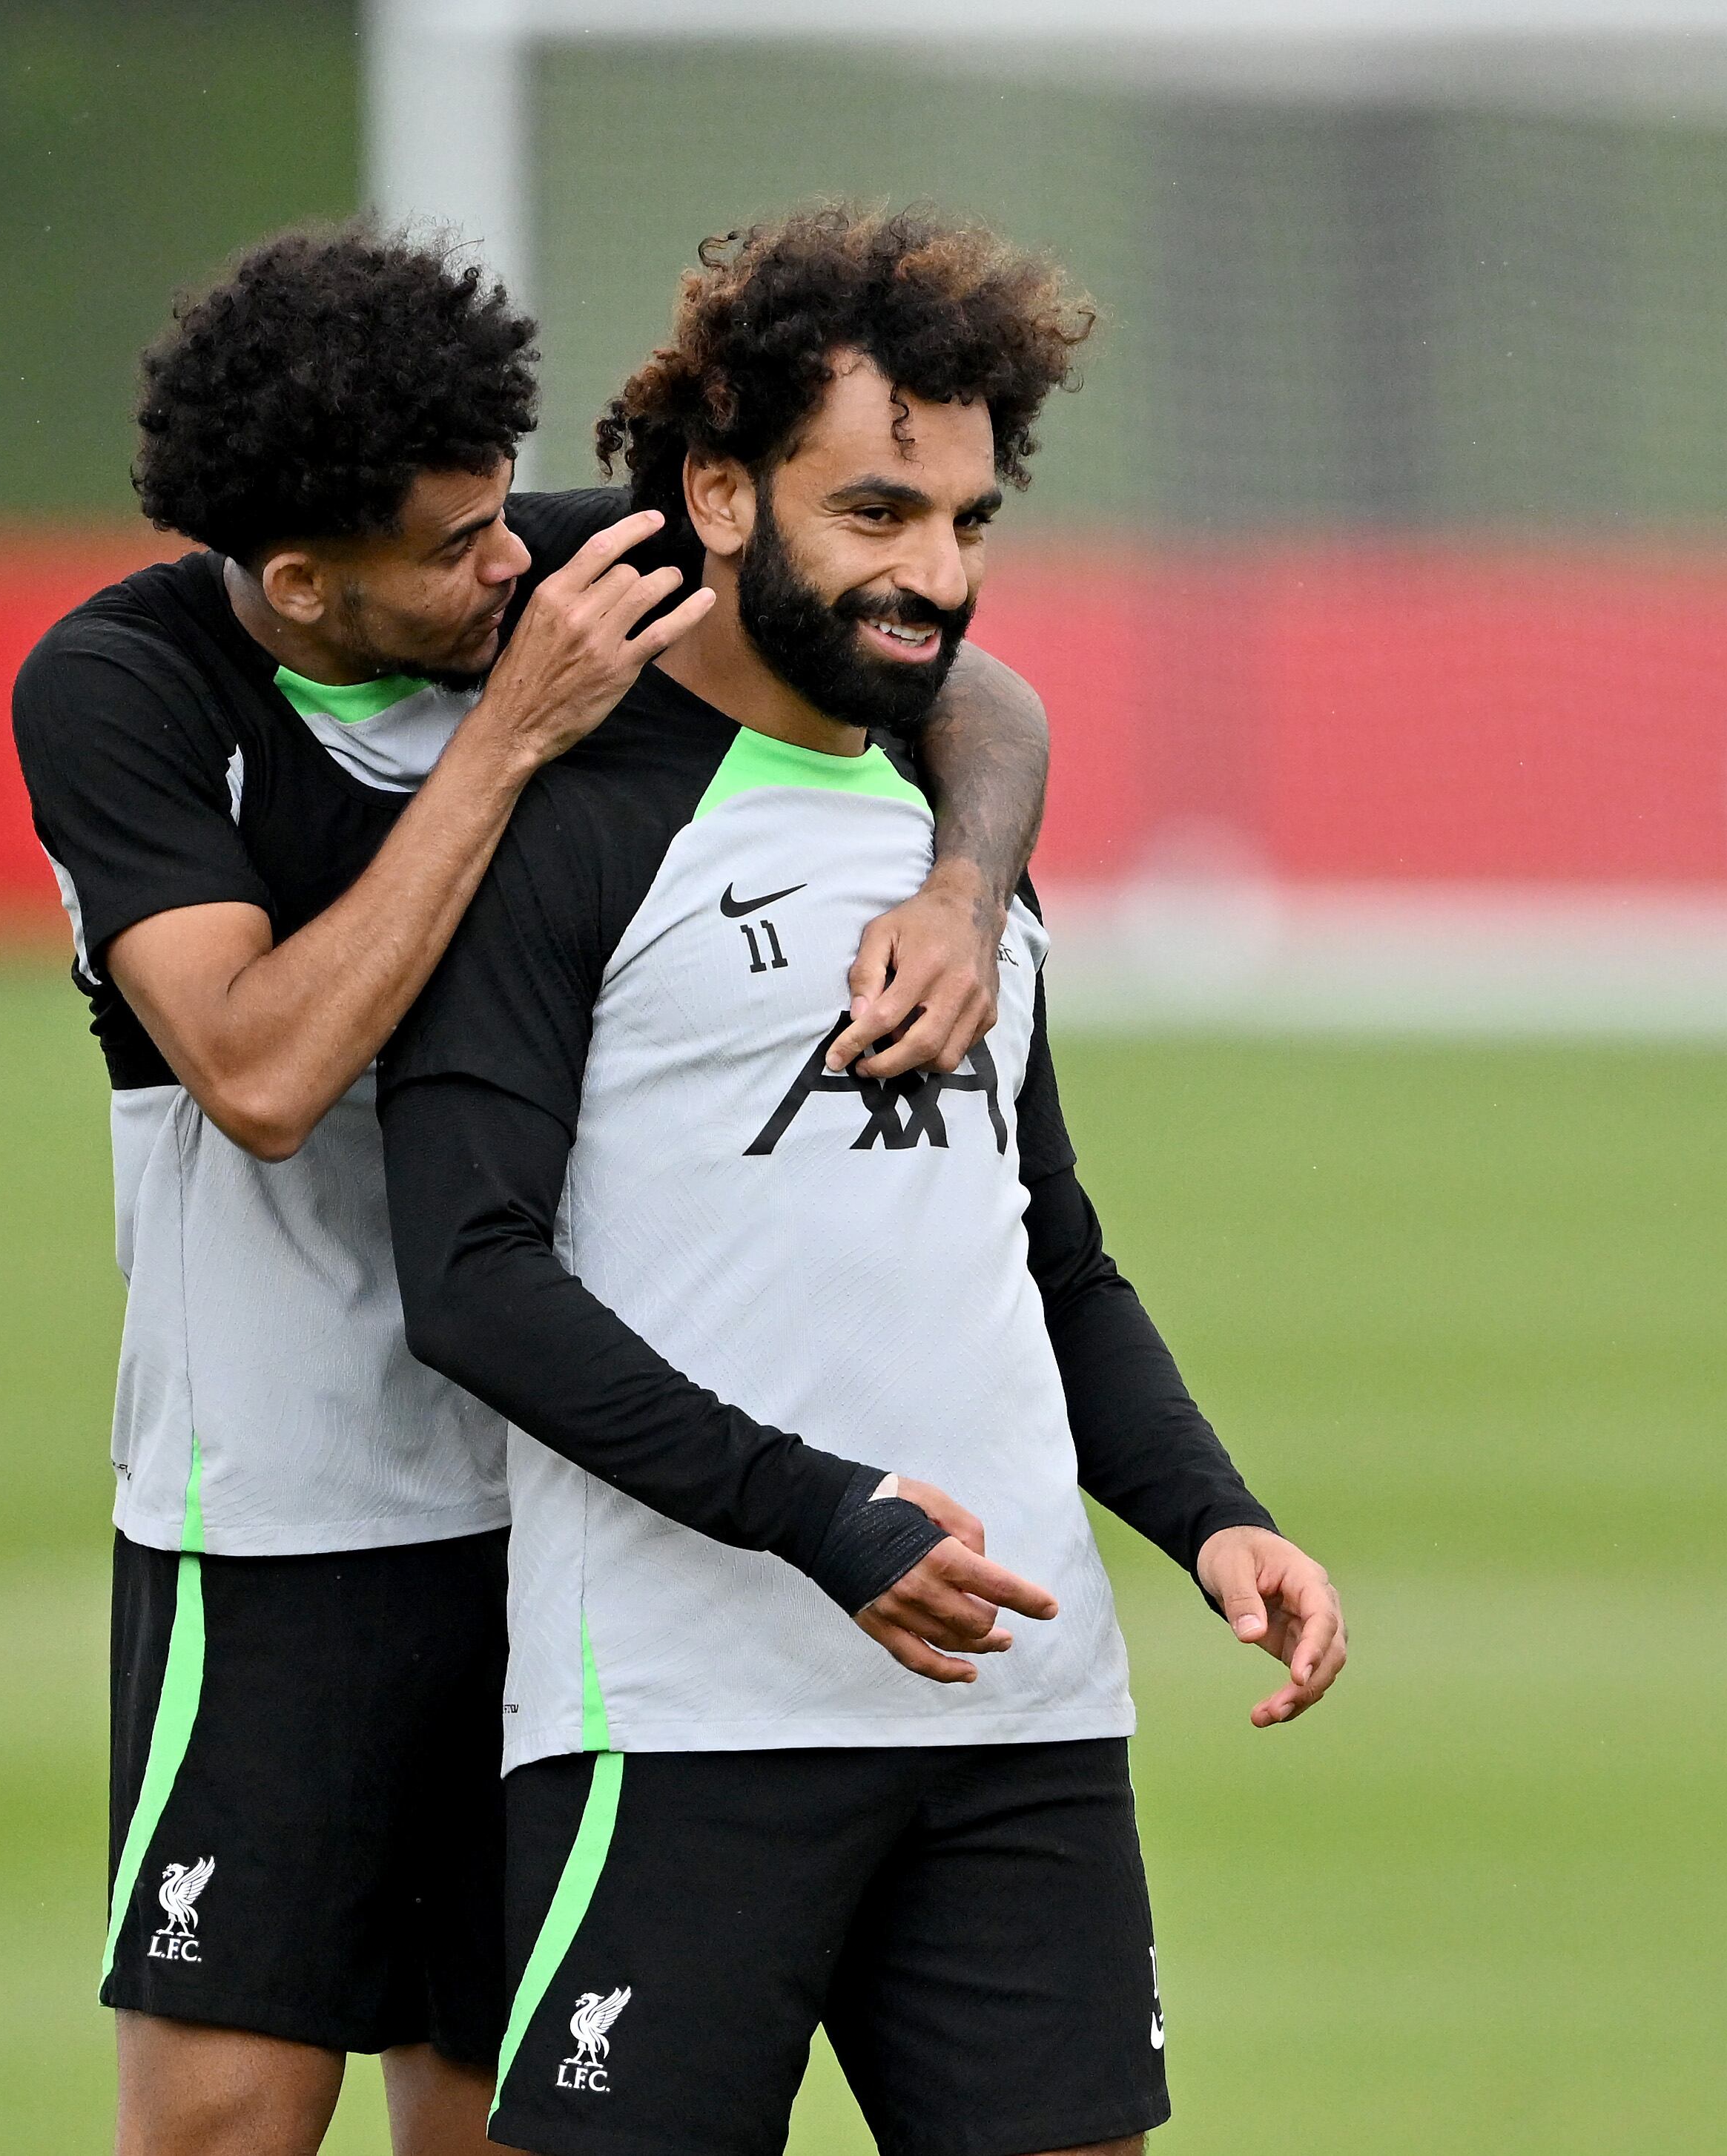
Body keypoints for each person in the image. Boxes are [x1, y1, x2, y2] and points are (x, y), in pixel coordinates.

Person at [10, 222, 1058, 2156]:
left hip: (567, 1505)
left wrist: (956, 893)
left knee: (505, 2112)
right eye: (456, 544)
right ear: (306, 581)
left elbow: (971, 694)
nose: (516, 563)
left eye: (511, 512)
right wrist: (508, 744)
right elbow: (254, 1068)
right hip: (282, 1524)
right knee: (224, 2119)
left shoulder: (564, 564)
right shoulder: (124, 690)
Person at [379, 205, 1349, 2156]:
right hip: (682, 1717)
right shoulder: (566, 819)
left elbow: (1043, 1251)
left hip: (1018, 1712)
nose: (932, 577)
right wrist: (818, 1517)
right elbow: (467, 1275)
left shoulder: (957, 835)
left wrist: (1208, 1515)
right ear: (721, 495)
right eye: (877, 513)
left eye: (968, 525)